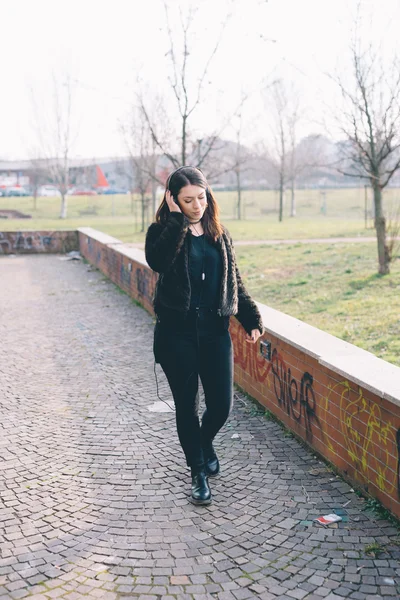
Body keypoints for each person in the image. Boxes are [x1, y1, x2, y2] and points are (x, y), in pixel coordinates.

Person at [145, 166, 263, 505]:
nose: (197, 205)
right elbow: (159, 262)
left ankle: (203, 442)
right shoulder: (161, 232)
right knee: (186, 405)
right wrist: (176, 222)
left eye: (201, 197)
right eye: (187, 200)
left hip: (214, 332)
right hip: (176, 334)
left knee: (222, 405)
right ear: (172, 200)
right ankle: (197, 472)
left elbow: (234, 283)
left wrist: (250, 318)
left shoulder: (219, 234)